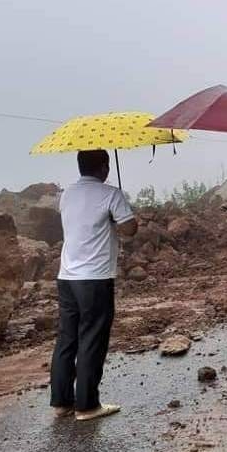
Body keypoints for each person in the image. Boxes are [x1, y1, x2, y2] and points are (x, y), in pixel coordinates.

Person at [51, 150, 138, 421]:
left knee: (67, 339)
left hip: (67, 278)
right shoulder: (111, 194)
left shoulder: (66, 195)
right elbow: (130, 230)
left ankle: (61, 402)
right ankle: (87, 406)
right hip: (95, 279)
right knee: (92, 339)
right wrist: (116, 212)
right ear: (104, 167)